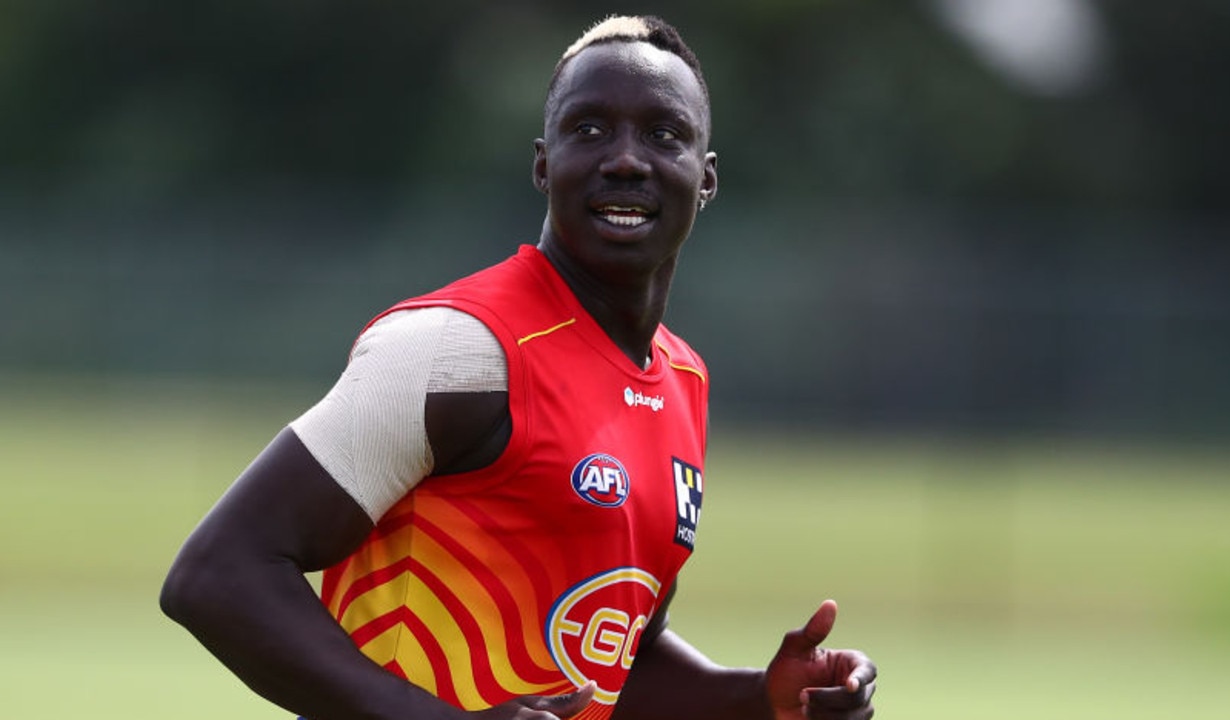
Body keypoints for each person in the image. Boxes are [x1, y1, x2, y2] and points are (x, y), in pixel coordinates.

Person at [161, 14, 877, 720]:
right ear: (543, 164)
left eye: (664, 134)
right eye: (589, 129)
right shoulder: (456, 350)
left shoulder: (683, 382)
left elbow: (607, 656)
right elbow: (219, 576)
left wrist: (756, 697)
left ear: (706, 178)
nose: (625, 158)